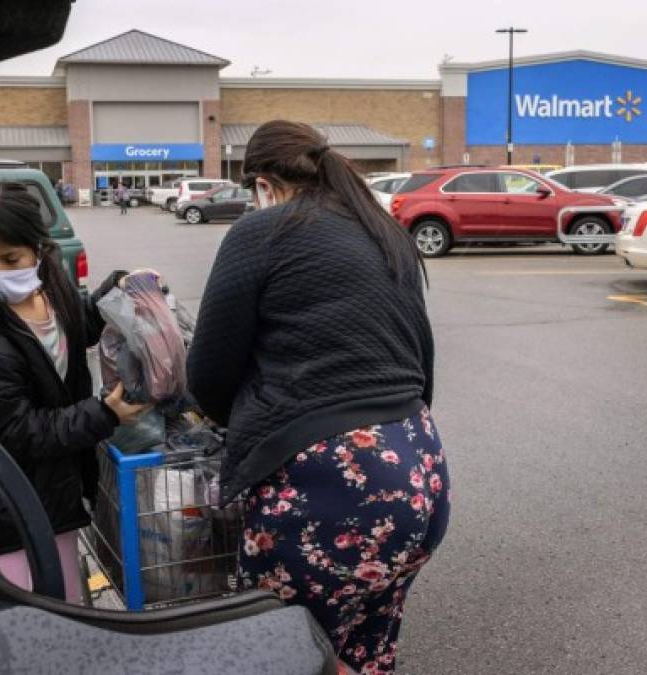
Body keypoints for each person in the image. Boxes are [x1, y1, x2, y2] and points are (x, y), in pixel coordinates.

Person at [187, 121, 449, 674]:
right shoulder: (384, 230)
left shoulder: (262, 232)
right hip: (419, 467)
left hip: (330, 481)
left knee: (288, 654)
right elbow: (421, 358)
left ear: (262, 181)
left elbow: (209, 373)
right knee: (367, 649)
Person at [0, 181, 148, 602]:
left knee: (68, 608)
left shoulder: (48, 285)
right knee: (39, 624)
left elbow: (72, 331)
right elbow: (19, 433)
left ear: (37, 250)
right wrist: (104, 414)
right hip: (4, 513)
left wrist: (117, 289)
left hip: (48, 498)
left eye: (11, 258)